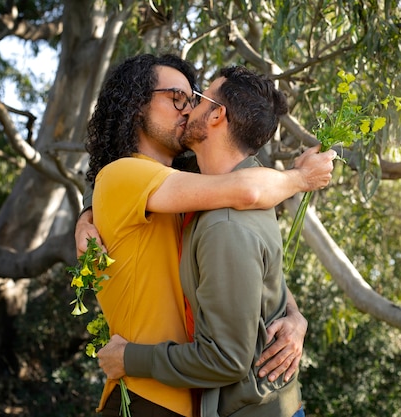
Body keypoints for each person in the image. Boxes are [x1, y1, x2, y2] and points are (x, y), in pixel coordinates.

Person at [79, 54, 336, 417]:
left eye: (194, 99)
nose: (187, 109)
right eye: (177, 98)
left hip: (193, 395)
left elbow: (253, 266)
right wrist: (301, 178)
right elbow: (248, 191)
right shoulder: (125, 174)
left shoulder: (196, 191)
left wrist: (293, 315)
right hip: (147, 395)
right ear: (137, 104)